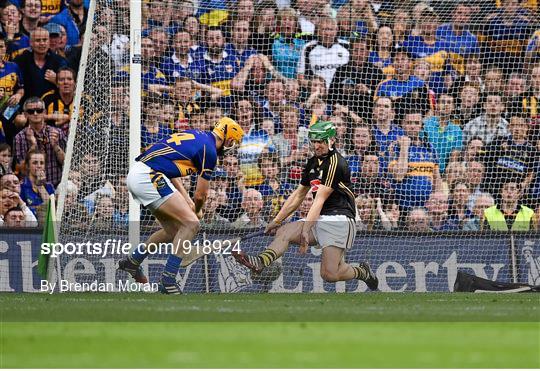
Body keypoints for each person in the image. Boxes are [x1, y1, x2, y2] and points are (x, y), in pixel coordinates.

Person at [232, 120, 378, 290]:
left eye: (321, 141)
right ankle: (261, 261)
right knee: (284, 231)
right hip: (319, 217)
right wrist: (277, 220)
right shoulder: (312, 163)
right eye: (314, 142)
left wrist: (306, 231)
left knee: (329, 274)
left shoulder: (336, 163)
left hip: (339, 218)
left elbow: (320, 199)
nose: (316, 146)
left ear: (331, 141)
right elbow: (299, 194)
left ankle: (362, 272)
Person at [118, 117, 244, 294]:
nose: (232, 146)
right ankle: (168, 280)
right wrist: (197, 210)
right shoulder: (210, 153)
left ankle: (133, 261)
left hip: (139, 173)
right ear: (229, 139)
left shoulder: (196, 135)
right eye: (233, 142)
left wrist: (187, 200)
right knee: (192, 224)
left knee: (174, 231)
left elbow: (168, 166)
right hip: (149, 176)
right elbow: (201, 194)